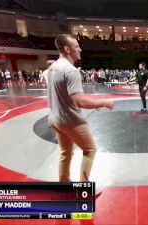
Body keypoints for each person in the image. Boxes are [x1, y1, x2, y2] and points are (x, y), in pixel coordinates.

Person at [47, 34, 114, 182]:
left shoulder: (52, 68)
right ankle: (83, 186)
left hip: (54, 118)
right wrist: (104, 102)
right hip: (70, 120)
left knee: (65, 153)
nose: (80, 49)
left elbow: (61, 95)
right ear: (67, 49)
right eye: (76, 46)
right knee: (90, 150)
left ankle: (64, 184)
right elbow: (80, 102)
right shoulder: (71, 70)